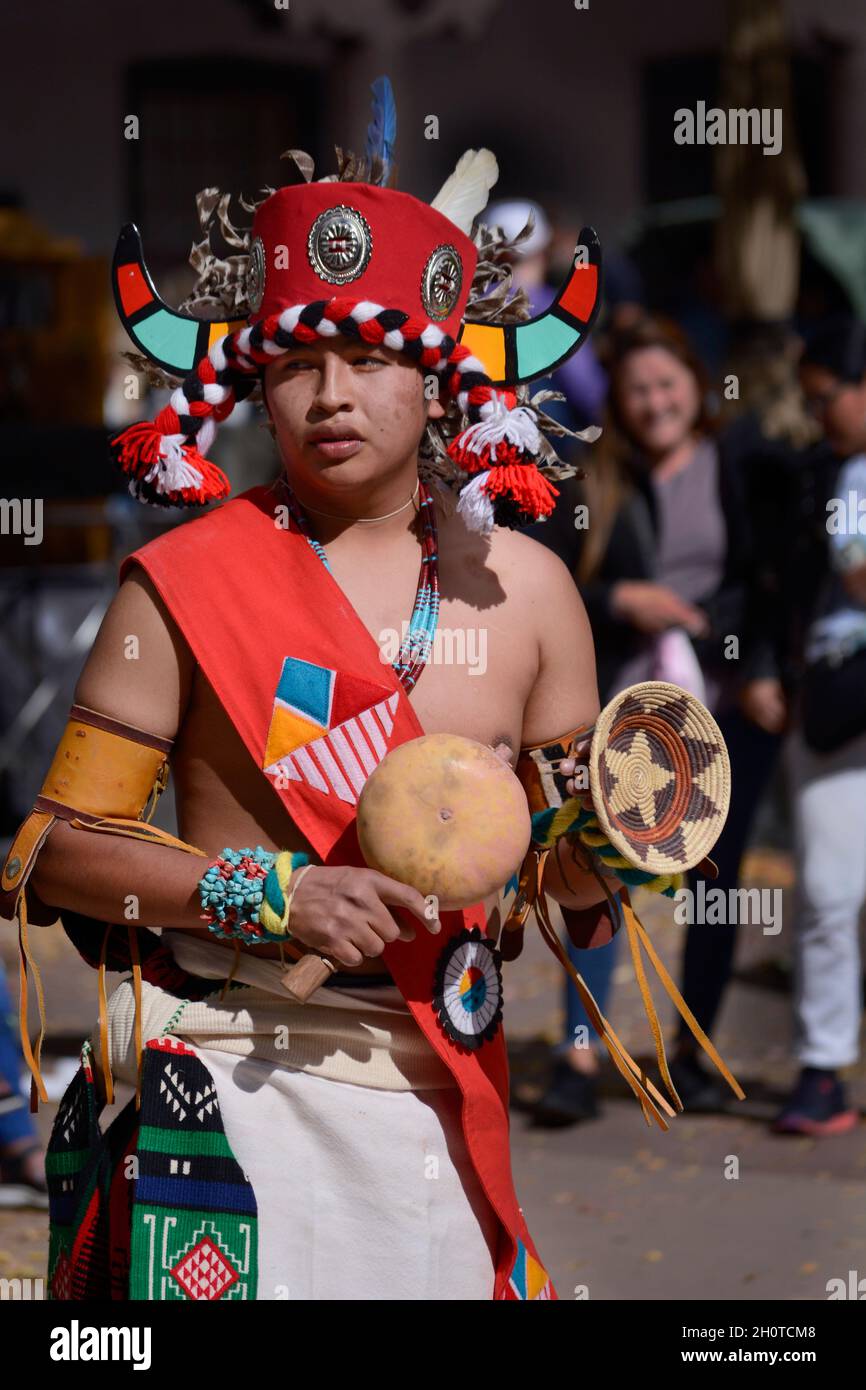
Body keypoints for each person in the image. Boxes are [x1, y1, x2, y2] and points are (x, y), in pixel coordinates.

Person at [0, 91, 633, 1302]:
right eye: (296, 362)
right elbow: (54, 850)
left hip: (444, 1104)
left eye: (368, 357)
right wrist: (272, 890)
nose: (330, 394)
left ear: (441, 378)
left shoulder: (532, 594)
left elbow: (564, 880)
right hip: (235, 1092)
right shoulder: (180, 583)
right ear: (255, 385)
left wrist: (623, 840)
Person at [527, 318, 770, 1122]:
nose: (655, 401)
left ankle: (691, 1056)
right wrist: (622, 600)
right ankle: (578, 1054)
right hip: (628, 719)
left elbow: (773, 577)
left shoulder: (739, 461)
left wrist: (749, 654)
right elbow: (552, 576)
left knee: (714, 886)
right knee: (600, 872)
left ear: (696, 385)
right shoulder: (602, 479)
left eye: (667, 384)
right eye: (637, 391)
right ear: (621, 406)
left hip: (724, 708)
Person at [768, 314, 866, 1136]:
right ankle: (824, 1069)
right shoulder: (833, 478)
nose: (818, 414)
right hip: (841, 701)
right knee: (832, 895)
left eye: (827, 397)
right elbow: (854, 576)